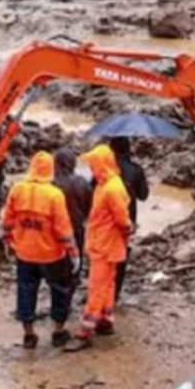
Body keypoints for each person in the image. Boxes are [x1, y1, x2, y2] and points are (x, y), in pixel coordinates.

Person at [4, 152, 79, 350]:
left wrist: (9, 242)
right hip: (52, 255)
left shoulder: (17, 189)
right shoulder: (54, 195)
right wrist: (73, 253)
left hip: (25, 253)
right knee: (60, 290)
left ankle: (29, 334)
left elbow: (7, 220)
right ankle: (58, 331)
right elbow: (63, 229)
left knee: (26, 290)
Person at [66, 144, 133, 351]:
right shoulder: (107, 184)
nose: (91, 169)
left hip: (105, 245)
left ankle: (85, 331)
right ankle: (105, 320)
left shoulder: (111, 188)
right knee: (107, 284)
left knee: (96, 287)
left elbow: (123, 221)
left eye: (93, 165)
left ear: (102, 165)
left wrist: (127, 230)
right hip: (104, 243)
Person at [108, 137, 149, 300]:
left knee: (104, 255)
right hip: (127, 220)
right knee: (121, 254)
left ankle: (104, 289)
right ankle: (115, 292)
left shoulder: (104, 169)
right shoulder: (135, 169)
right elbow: (143, 195)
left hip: (105, 219)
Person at [53, 148, 94, 262]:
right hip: (76, 226)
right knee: (76, 260)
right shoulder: (82, 182)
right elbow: (90, 208)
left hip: (53, 229)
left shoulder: (49, 183)